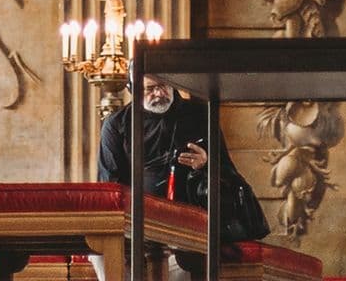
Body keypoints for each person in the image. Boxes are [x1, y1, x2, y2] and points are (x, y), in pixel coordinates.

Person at [94, 76, 263, 281]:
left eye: (163, 86)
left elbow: (231, 176)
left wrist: (207, 163)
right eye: (150, 89)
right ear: (133, 89)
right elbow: (110, 188)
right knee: (99, 254)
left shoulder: (200, 115)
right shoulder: (116, 125)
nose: (158, 93)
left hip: (190, 229)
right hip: (135, 227)